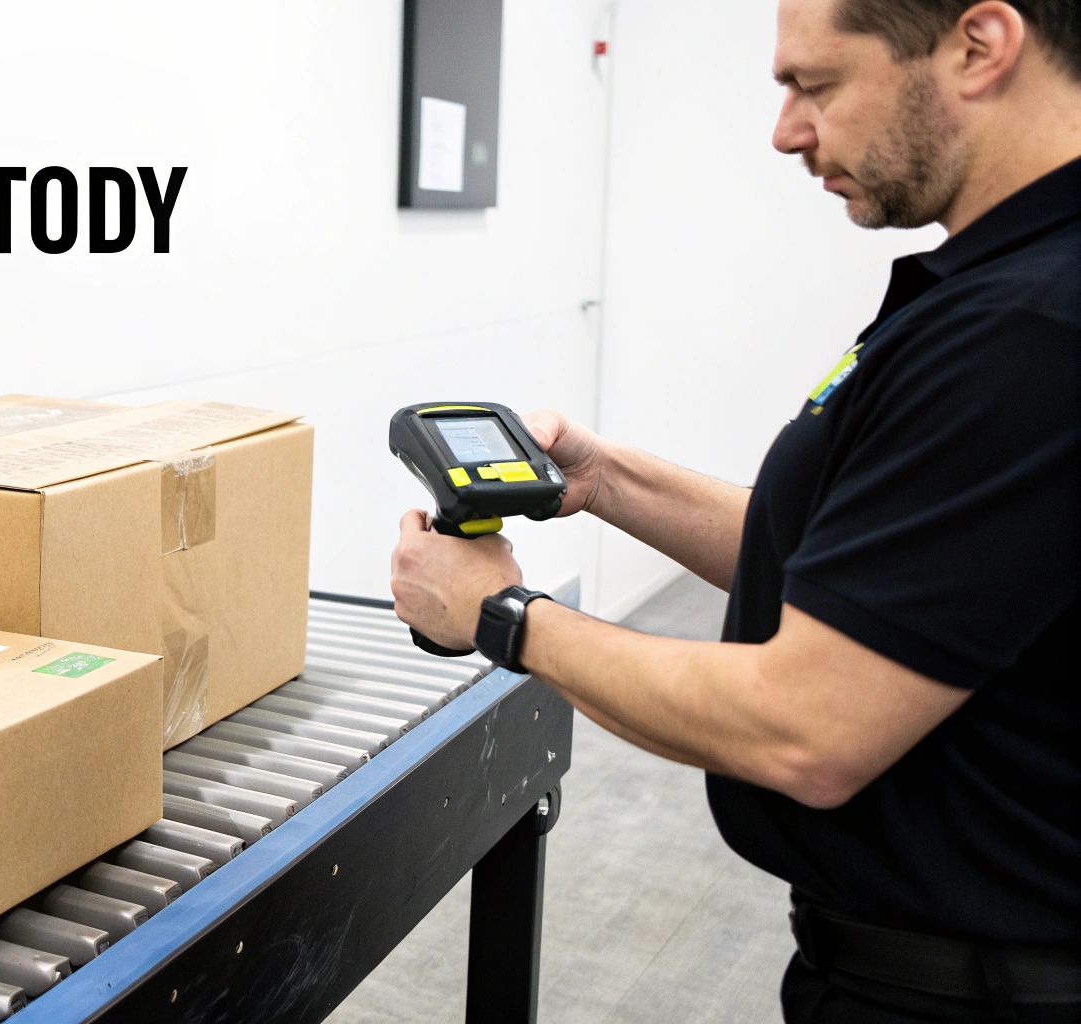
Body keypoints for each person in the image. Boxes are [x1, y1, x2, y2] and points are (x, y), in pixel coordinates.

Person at [389, 0, 1080, 1019]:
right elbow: (868, 563)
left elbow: (806, 728)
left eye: (814, 84)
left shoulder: (1025, 327)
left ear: (978, 48)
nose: (785, 131)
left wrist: (503, 618)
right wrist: (607, 481)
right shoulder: (999, 289)